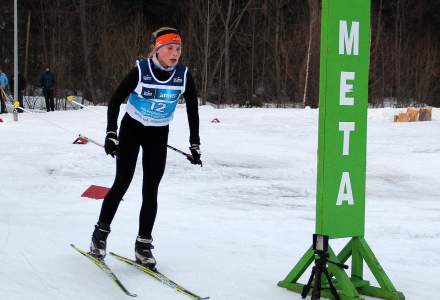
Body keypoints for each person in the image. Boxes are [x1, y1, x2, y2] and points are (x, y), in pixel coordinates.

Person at [89, 27, 202, 269]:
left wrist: (195, 143)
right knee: (122, 183)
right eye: (170, 48)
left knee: (151, 190)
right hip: (132, 129)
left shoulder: (183, 75)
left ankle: (143, 245)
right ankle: (99, 235)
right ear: (158, 50)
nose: (175, 54)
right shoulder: (141, 70)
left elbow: (193, 108)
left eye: (178, 49)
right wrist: (111, 133)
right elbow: (115, 100)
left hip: (158, 133)